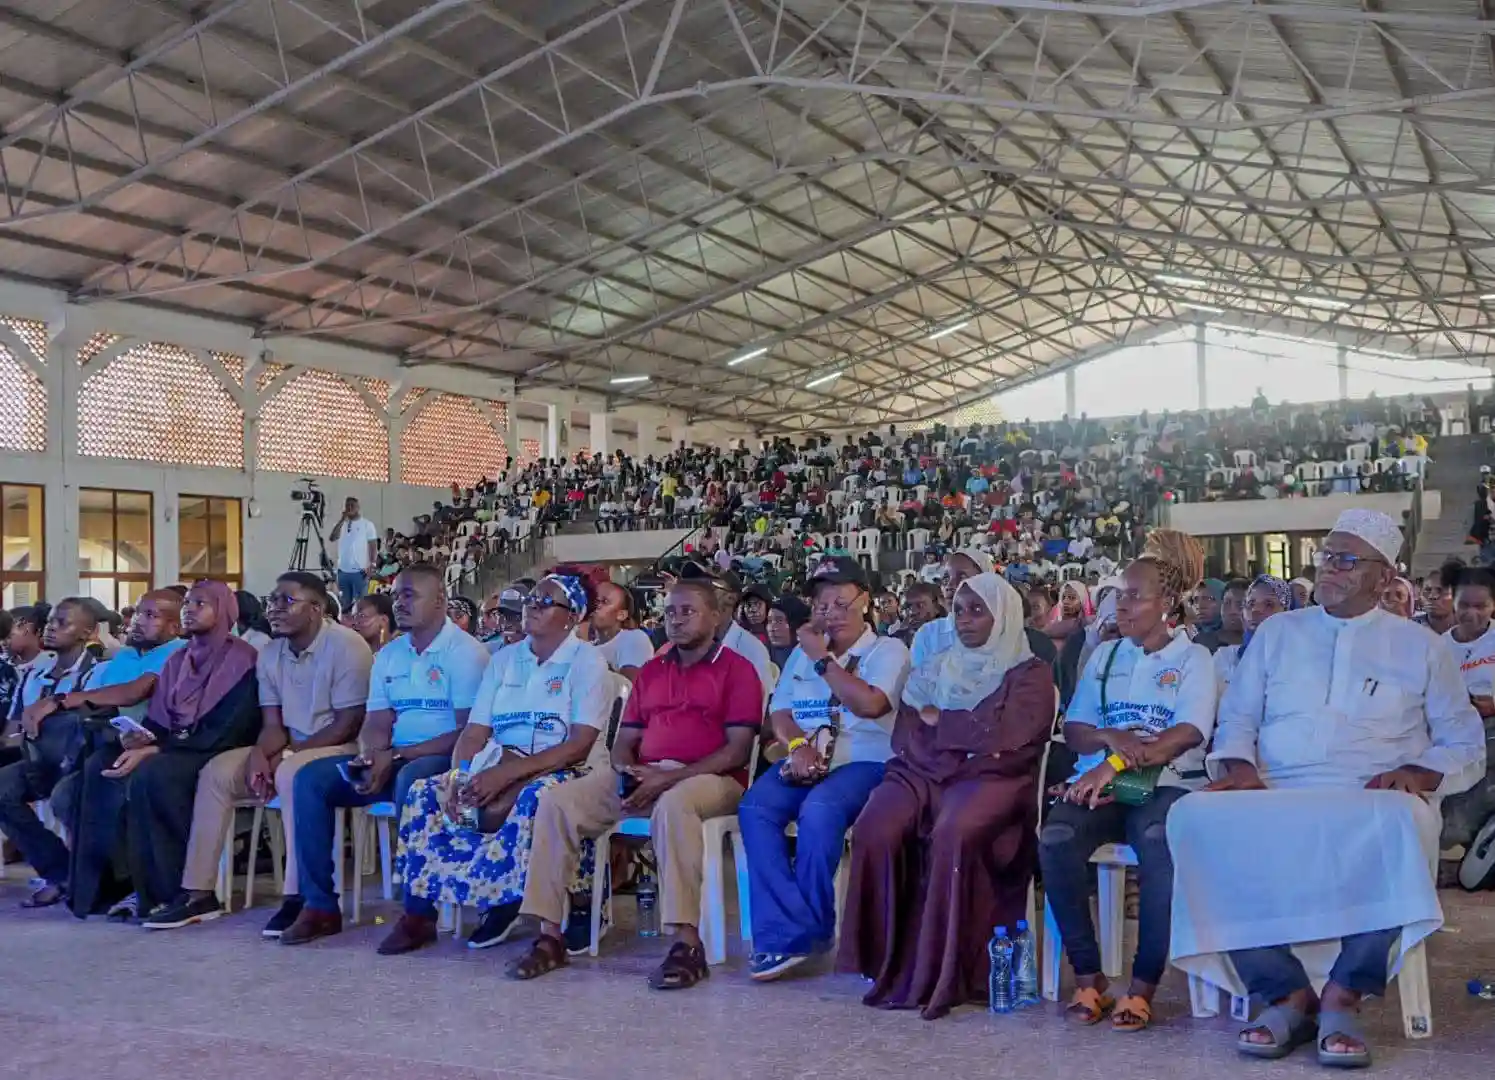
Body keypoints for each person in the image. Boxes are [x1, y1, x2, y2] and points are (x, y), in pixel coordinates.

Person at [1169, 509, 1485, 1067]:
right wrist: (1238, 766)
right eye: (1326, 556)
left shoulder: (1421, 646)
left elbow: (1464, 741)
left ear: (1384, 578)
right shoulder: (1278, 633)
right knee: (1193, 818)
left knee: (1404, 821)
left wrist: (1420, 774)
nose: (1330, 568)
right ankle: (1285, 992)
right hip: (1275, 787)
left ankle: (1343, 995)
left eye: (1347, 559)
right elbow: (1238, 718)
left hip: (1371, 794)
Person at [506, 575, 759, 989]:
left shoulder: (738, 669)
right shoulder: (654, 670)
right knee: (557, 802)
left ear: (715, 616)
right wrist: (627, 771)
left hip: (712, 779)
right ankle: (549, 936)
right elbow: (624, 741)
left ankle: (686, 944)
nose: (676, 620)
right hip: (645, 773)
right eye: (670, 612)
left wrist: (669, 777)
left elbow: (737, 751)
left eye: (688, 611)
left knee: (676, 803)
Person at [838, 573, 1055, 1019]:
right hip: (925, 771)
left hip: (996, 778)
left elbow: (1010, 736)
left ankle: (948, 971)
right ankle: (884, 962)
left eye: (977, 610)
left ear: (1004, 616)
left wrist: (946, 725)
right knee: (876, 825)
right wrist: (956, 740)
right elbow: (909, 731)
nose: (964, 619)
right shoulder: (936, 666)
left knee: (953, 831)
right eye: (958, 610)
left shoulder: (1030, 673)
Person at [1039, 531, 1216, 1031]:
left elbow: (1184, 735)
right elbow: (1076, 731)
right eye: (1120, 594)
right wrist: (1109, 736)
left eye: (1135, 595)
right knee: (1056, 838)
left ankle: (1142, 987)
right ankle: (1089, 977)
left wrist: (1113, 763)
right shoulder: (1106, 656)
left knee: (1158, 841)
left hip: (1167, 786)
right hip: (1099, 786)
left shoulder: (1193, 660)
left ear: (1168, 602)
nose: (1122, 604)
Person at [379, 574, 612, 955]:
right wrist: (461, 775)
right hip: (502, 762)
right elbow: (474, 732)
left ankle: (551, 902)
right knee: (425, 793)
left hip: (568, 768)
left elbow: (578, 746)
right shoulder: (505, 660)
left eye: (545, 602)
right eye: (531, 599)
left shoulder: (587, 662)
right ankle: (421, 914)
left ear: (572, 617)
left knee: (535, 797)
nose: (531, 606)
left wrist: (507, 775)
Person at [143, 574, 373, 930]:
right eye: (272, 600)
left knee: (293, 773)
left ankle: (298, 896)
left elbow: (348, 723)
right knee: (218, 772)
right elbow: (272, 724)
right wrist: (258, 756)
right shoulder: (271, 652)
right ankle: (198, 893)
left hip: (341, 747)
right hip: (291, 745)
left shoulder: (347, 646)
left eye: (286, 601)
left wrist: (286, 755)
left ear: (316, 608)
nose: (275, 609)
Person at [276, 563, 489, 944]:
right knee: (310, 780)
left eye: (410, 595)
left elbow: (468, 733)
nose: (399, 603)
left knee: (411, 779)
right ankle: (319, 906)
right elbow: (377, 720)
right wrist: (373, 755)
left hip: (448, 760)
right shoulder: (391, 655)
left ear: (439, 600)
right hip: (397, 757)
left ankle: (418, 915)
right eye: (396, 595)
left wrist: (398, 755)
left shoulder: (465, 653)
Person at [739, 557, 911, 980]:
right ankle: (794, 930)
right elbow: (780, 713)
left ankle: (798, 936)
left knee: (819, 810)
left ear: (864, 600)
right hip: (806, 757)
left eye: (840, 602)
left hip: (866, 761)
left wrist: (823, 660)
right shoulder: (801, 655)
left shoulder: (887, 651)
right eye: (821, 604)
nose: (830, 613)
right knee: (756, 807)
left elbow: (871, 705)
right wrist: (797, 747)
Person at [73, 582, 262, 921]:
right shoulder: (179, 659)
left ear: (223, 610)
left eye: (201, 604)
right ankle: (112, 887)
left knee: (155, 773)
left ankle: (175, 892)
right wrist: (142, 738)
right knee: (103, 763)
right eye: (188, 602)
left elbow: (231, 728)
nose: (190, 609)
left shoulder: (242, 658)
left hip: (218, 748)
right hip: (178, 745)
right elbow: (160, 717)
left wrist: (156, 748)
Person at [0, 599, 104, 907]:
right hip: (40, 759)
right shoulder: (35, 674)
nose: (51, 628)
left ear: (88, 632)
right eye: (50, 622)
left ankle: (94, 878)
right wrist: (22, 736)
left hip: (81, 760)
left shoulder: (99, 673)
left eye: (63, 623)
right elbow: (12, 730)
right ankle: (59, 872)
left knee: (66, 795)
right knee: (3, 787)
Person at [1437, 563, 1495, 851]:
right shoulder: (1438, 646)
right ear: (1453, 601)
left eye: (1481, 606)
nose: (1472, 613)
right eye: (1464, 605)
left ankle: (1459, 835)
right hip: (1451, 730)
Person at [909, 547, 992, 667]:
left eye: (962, 577)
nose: (949, 586)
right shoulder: (928, 635)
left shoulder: (1003, 632)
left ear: (986, 583)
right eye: (946, 579)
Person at [1213, 576, 1294, 693]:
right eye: (1251, 603)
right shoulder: (1225, 658)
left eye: (1269, 604)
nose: (1256, 610)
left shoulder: (1297, 660)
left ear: (1286, 612)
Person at [590, 582, 654, 682]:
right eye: (594, 600)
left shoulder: (634, 638)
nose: (596, 606)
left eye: (605, 601)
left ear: (621, 615)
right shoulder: (586, 646)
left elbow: (629, 686)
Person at [330, 495, 379, 613]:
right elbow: (332, 537)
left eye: (352, 505)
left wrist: (372, 564)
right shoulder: (342, 524)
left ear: (358, 507)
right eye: (347, 506)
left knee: (361, 604)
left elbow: (373, 546)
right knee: (344, 604)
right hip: (343, 571)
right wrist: (342, 520)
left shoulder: (367, 524)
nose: (350, 508)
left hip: (360, 571)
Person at [765, 594, 811, 671]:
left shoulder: (812, 658)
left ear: (795, 624)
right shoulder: (762, 655)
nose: (772, 628)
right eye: (769, 621)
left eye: (779, 620)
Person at [480, 585, 528, 656]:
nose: (506, 621)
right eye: (501, 614)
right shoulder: (489, 650)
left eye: (514, 615)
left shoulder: (540, 654)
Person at [897, 582, 944, 648]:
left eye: (920, 605)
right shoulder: (906, 630)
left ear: (936, 604)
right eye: (909, 606)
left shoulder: (950, 631)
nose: (913, 611)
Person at [1416, 565, 1457, 635]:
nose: (1432, 596)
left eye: (1440, 590)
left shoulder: (1469, 630)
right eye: (1428, 590)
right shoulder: (1408, 628)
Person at [1190, 579, 1228, 651]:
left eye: (1208, 599)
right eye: (1196, 599)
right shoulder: (1189, 634)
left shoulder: (1235, 637)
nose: (1199, 606)